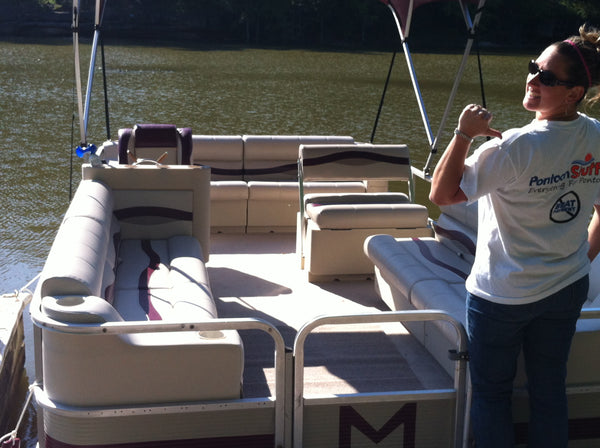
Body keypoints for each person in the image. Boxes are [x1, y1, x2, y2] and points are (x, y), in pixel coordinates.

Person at [429, 25, 600, 447]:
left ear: (574, 92)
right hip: (565, 288)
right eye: (532, 68)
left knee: (491, 394)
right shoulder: (596, 135)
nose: (532, 80)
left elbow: (442, 195)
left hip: (501, 296)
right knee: (548, 390)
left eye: (548, 78)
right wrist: (581, 259)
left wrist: (464, 134)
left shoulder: (511, 147)